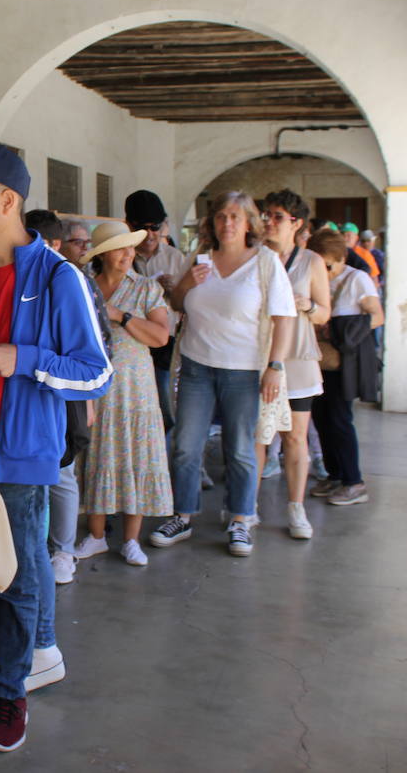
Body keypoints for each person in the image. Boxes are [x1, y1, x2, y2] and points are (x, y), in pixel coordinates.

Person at [0, 145, 113, 753]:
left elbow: (96, 372)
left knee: (15, 574)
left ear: (7, 201)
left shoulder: (60, 278)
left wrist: (24, 359)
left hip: (20, 455)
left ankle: (13, 691)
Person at [150, 190, 295, 558]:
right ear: (211, 222)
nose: (227, 223)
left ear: (249, 222)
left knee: (241, 449)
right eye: (220, 216)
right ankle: (182, 515)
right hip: (197, 365)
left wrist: (276, 366)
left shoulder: (264, 262)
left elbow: (284, 317)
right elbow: (177, 303)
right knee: (185, 446)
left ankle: (241, 519)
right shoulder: (199, 258)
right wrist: (187, 284)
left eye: (235, 216)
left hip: (244, 371)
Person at [73, 222, 172, 567]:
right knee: (98, 453)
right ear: (102, 254)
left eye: (131, 248)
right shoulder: (85, 288)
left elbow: (161, 336)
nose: (129, 254)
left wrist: (122, 316)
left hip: (136, 390)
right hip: (96, 388)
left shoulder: (146, 288)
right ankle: (97, 535)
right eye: (120, 248)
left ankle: (131, 539)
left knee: (136, 457)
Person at [23, 210, 100, 586]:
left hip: (65, 390)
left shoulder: (71, 280)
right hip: (31, 393)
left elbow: (96, 358)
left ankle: (63, 549)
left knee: (62, 471)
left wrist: (88, 400)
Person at [256, 189, 331, 540]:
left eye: (277, 216)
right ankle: (246, 508)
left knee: (295, 437)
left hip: (298, 358)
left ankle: (296, 508)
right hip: (257, 354)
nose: (269, 221)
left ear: (295, 222)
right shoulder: (254, 256)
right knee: (257, 435)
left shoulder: (311, 262)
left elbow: (324, 313)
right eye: (266, 214)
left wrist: (307, 306)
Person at [308, 229, 383, 507]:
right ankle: (335, 474)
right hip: (321, 362)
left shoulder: (357, 279)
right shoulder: (318, 281)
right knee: (322, 419)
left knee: (340, 420)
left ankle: (354, 481)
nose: (323, 271)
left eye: (327, 266)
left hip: (343, 363)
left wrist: (341, 331)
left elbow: (376, 316)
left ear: (340, 258)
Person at [126, 189, 185, 433]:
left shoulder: (175, 258)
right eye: (143, 227)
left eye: (155, 227)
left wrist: (174, 293)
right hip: (129, 340)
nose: (150, 234)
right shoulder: (121, 256)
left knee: (165, 406)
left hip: (164, 342)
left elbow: (188, 305)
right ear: (129, 225)